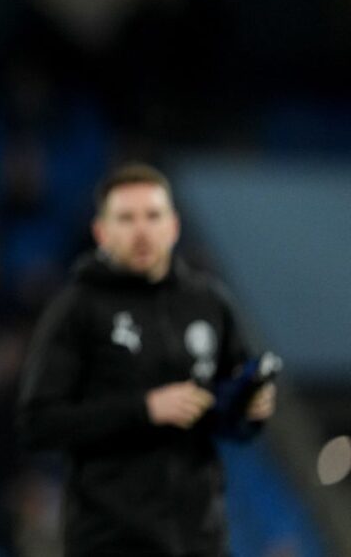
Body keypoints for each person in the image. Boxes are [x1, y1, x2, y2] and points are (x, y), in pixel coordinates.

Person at [16, 162, 276, 557]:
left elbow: (226, 415)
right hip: (110, 539)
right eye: (126, 218)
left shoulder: (209, 302)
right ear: (101, 232)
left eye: (152, 216)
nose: (141, 230)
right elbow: (38, 424)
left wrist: (250, 410)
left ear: (172, 226)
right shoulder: (76, 309)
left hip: (200, 538)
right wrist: (144, 409)